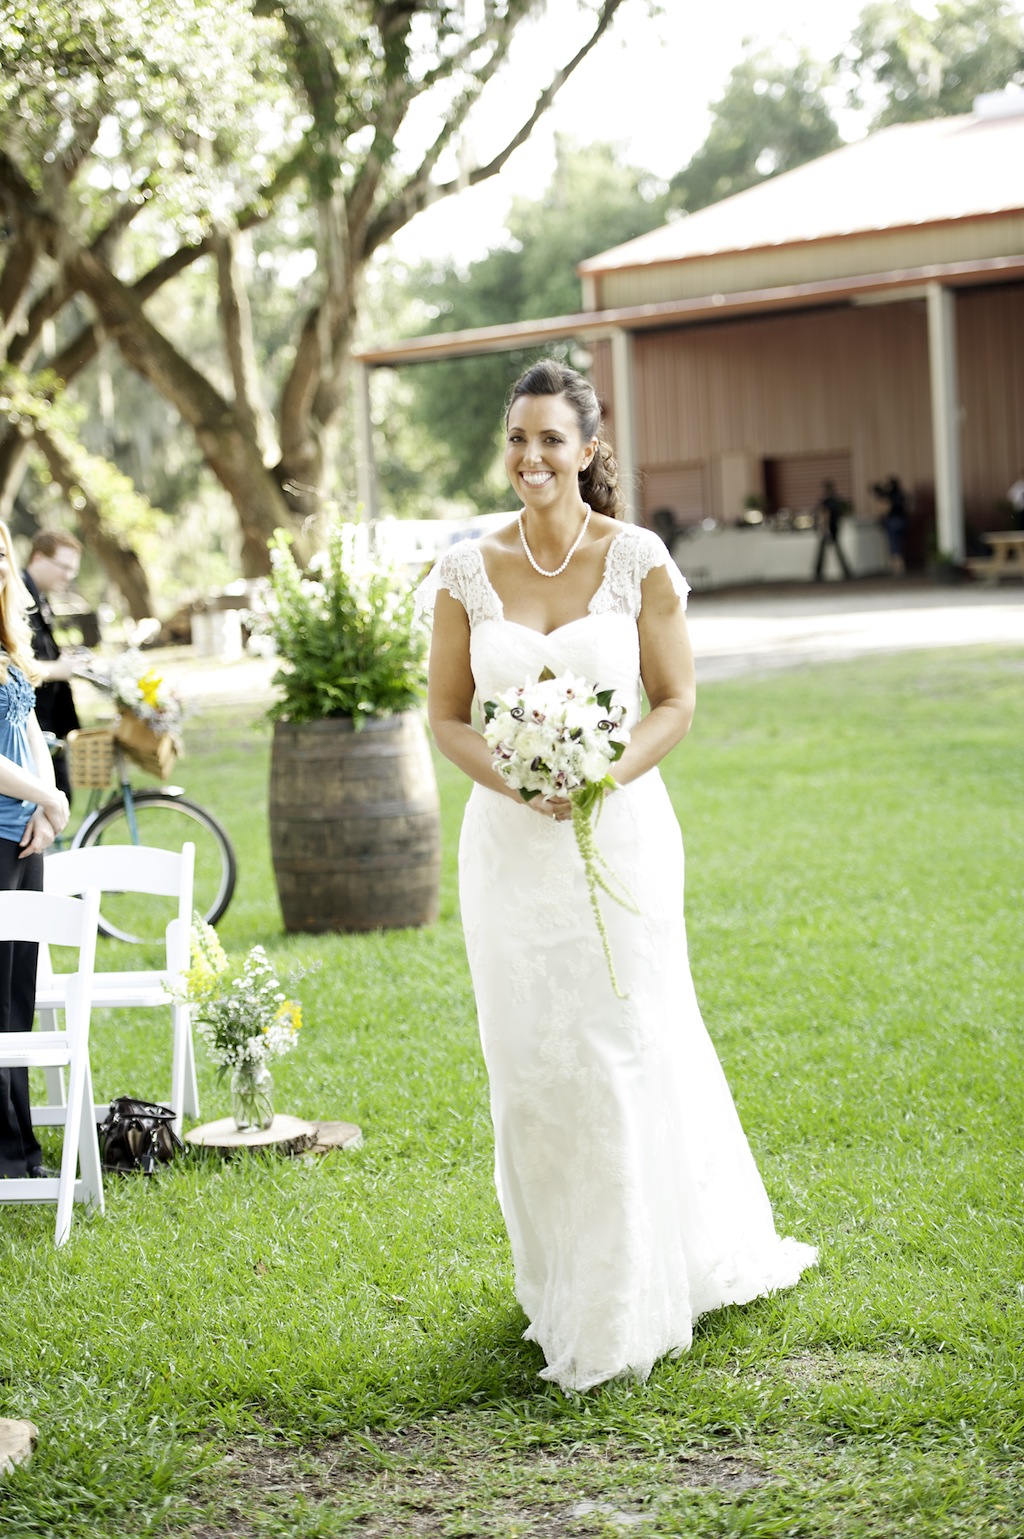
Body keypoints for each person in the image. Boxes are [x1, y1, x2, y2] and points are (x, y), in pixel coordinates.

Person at [417, 360, 816, 1393]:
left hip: (622, 832)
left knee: (622, 1045)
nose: (530, 459)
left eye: (551, 440)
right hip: (508, 849)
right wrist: (517, 779)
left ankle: (635, 1287)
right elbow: (447, 717)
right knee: (531, 1062)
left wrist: (600, 774)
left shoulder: (635, 559)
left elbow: (675, 701)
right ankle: (559, 1280)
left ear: (589, 451)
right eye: (517, 439)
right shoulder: (466, 570)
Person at [0, 519, 71, 1178]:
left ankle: (20, 1149)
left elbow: (30, 728)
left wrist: (50, 809)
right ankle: (8, 1153)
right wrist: (44, 799)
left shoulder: (9, 639)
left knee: (18, 993)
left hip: (26, 839)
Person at [23, 529, 84, 803]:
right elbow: (12, 661)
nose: (68, 575)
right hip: (30, 721)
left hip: (48, 720)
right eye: (64, 567)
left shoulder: (40, 597)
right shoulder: (17, 596)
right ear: (38, 557)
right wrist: (57, 669)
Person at [813, 480, 851, 581]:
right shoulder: (836, 501)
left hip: (829, 528)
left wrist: (824, 528)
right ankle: (846, 571)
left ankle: (818, 572)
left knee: (822, 552)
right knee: (838, 550)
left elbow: (825, 515)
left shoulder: (826, 501)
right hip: (835, 527)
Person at [872, 476, 910, 574]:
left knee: (894, 544)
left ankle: (898, 568)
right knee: (899, 543)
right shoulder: (901, 494)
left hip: (893, 521)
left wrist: (881, 517)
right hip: (903, 520)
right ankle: (900, 566)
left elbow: (885, 507)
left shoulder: (890, 495)